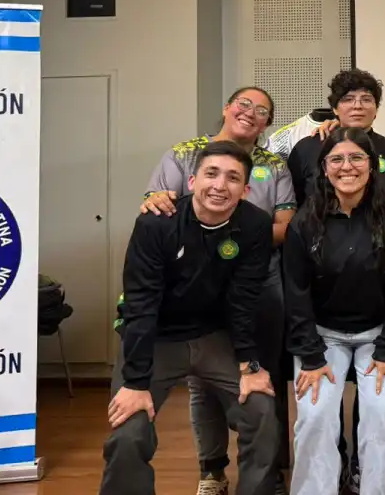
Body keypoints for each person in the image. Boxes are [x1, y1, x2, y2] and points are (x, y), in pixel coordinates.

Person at [141, 86, 294, 495]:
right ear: (226, 107)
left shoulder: (274, 165)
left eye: (262, 111)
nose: (251, 113)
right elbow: (157, 204)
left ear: (267, 124)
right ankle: (212, 470)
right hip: (193, 281)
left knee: (262, 376)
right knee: (202, 381)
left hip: (259, 280)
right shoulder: (185, 152)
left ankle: (269, 472)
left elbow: (284, 224)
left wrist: (243, 233)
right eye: (244, 104)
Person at [100, 141, 277, 495]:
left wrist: (249, 364)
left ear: (245, 190)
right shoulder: (156, 224)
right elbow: (140, 304)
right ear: (193, 181)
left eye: (232, 178)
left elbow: (243, 299)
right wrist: (135, 383)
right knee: (129, 427)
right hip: (157, 338)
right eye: (211, 174)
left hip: (214, 337)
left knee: (261, 410)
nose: (219, 185)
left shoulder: (255, 225)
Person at [284, 127, 385, 495]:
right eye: (337, 159)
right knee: (314, 416)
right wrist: (309, 356)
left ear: (372, 166)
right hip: (322, 337)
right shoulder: (305, 221)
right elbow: (296, 293)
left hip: (381, 336)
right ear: (324, 168)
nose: (347, 167)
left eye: (357, 158)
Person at [288, 69, 385, 206]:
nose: (357, 106)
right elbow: (293, 202)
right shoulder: (307, 148)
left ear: (376, 108)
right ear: (334, 108)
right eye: (348, 99)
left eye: (366, 99)